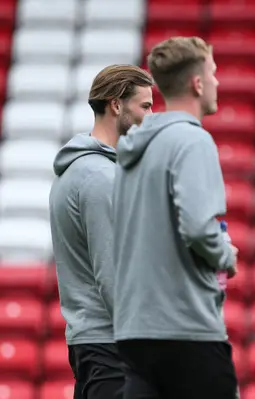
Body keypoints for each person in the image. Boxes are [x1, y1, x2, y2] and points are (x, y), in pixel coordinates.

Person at [111, 36, 239, 399]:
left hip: (135, 331)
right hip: (185, 328)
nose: (216, 82)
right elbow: (199, 227)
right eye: (213, 73)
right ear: (198, 83)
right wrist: (226, 256)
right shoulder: (192, 141)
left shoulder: (132, 149)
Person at [49, 64, 154, 399]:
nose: (150, 117)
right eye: (146, 106)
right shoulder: (99, 177)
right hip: (112, 346)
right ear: (116, 105)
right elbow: (112, 272)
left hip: (94, 344)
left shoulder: (76, 172)